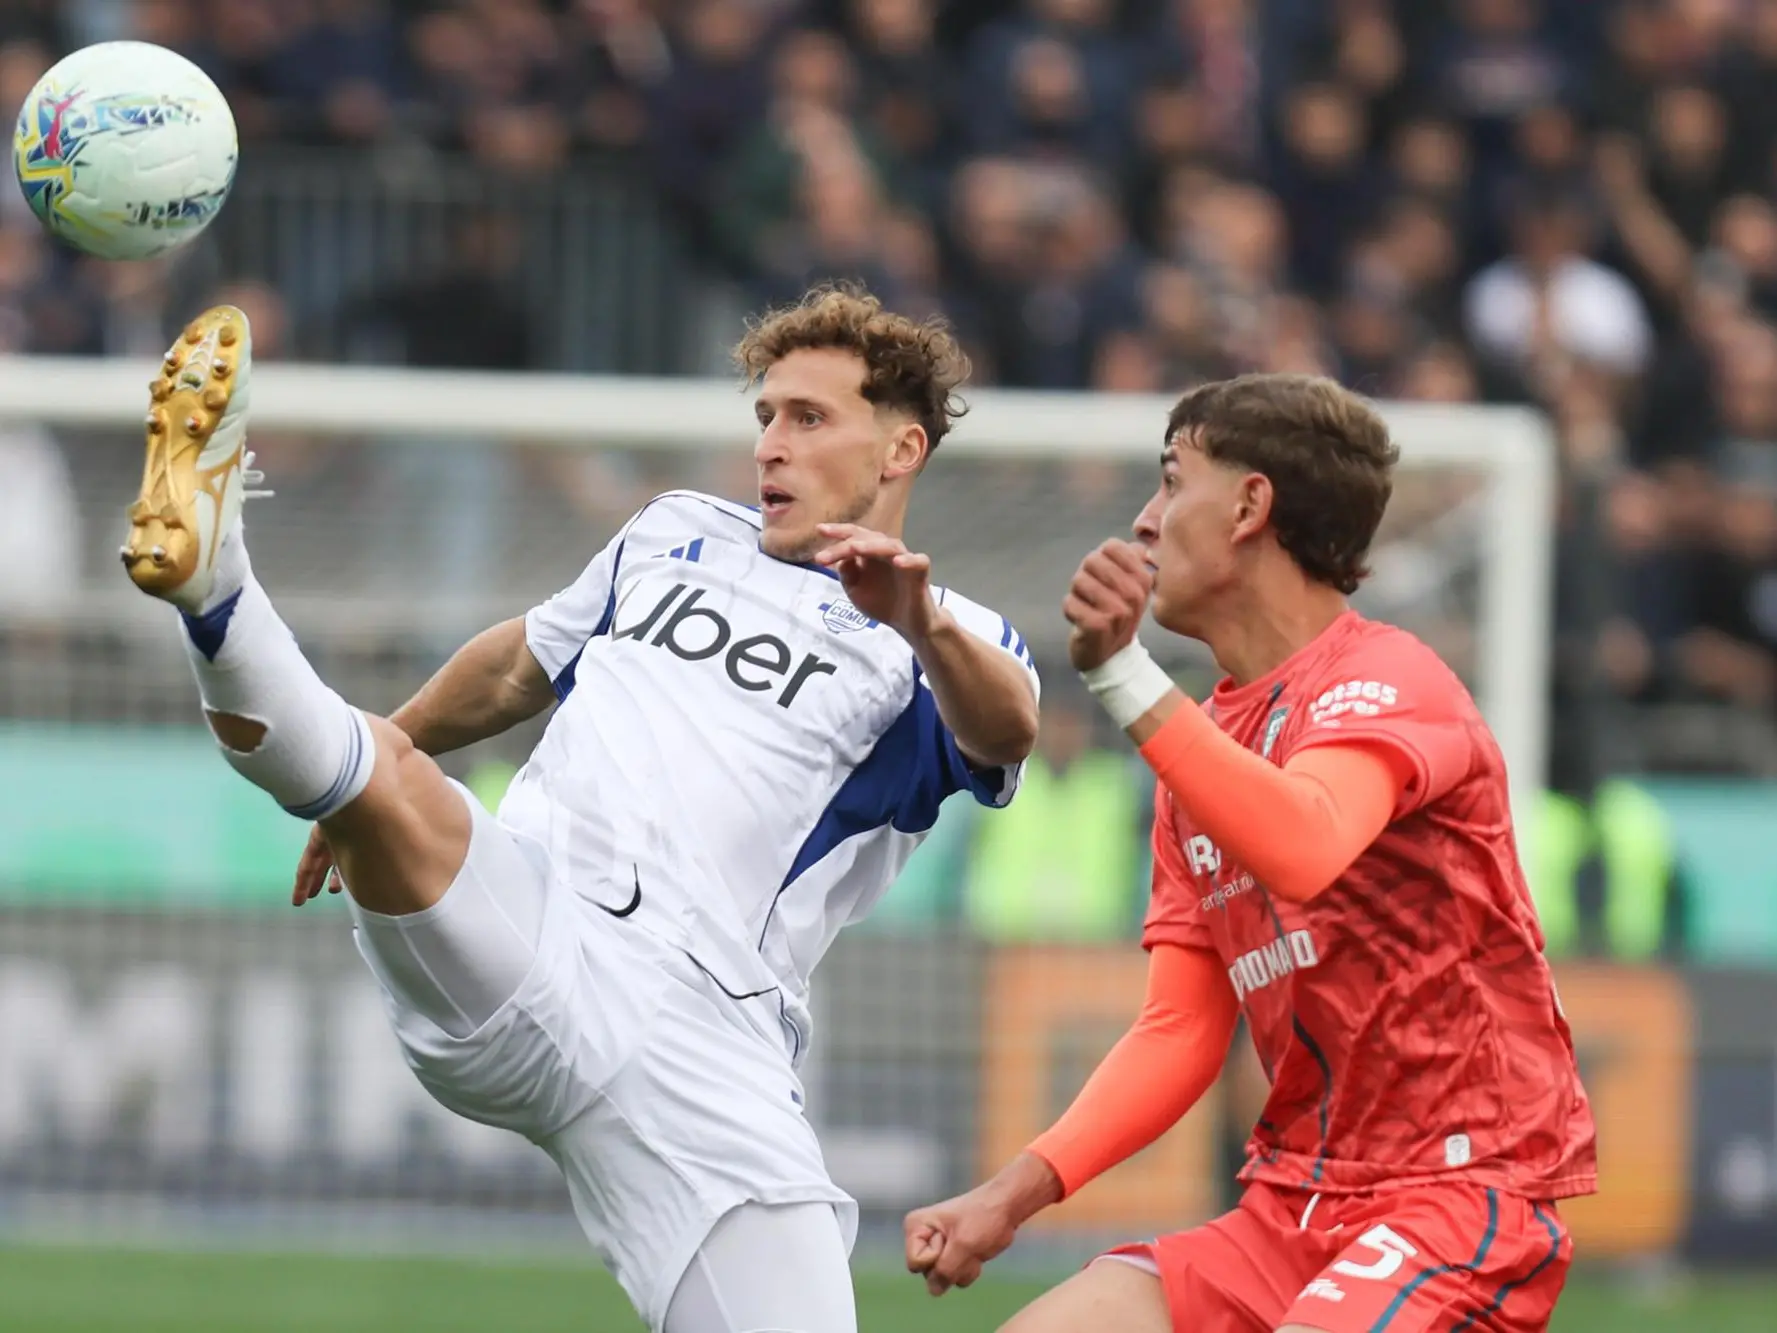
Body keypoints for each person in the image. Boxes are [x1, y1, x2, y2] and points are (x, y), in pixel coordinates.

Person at [118, 286, 1040, 1333]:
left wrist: (915, 617)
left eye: (809, 418)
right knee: (379, 762)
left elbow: (1003, 731)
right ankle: (213, 575)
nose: (770, 446)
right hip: (537, 920)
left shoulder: (947, 637)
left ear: (901, 449)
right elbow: (518, 664)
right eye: (765, 416)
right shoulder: (676, 531)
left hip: (702, 1040)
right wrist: (390, 752)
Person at [904, 374, 1596, 1333]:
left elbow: (1303, 843)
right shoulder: (1199, 753)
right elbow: (1179, 1031)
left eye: (1169, 480)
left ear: (1248, 505)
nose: (1145, 521)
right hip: (1292, 1208)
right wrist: (1008, 1195)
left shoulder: (1386, 675)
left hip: (1455, 1198)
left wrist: (1120, 674)